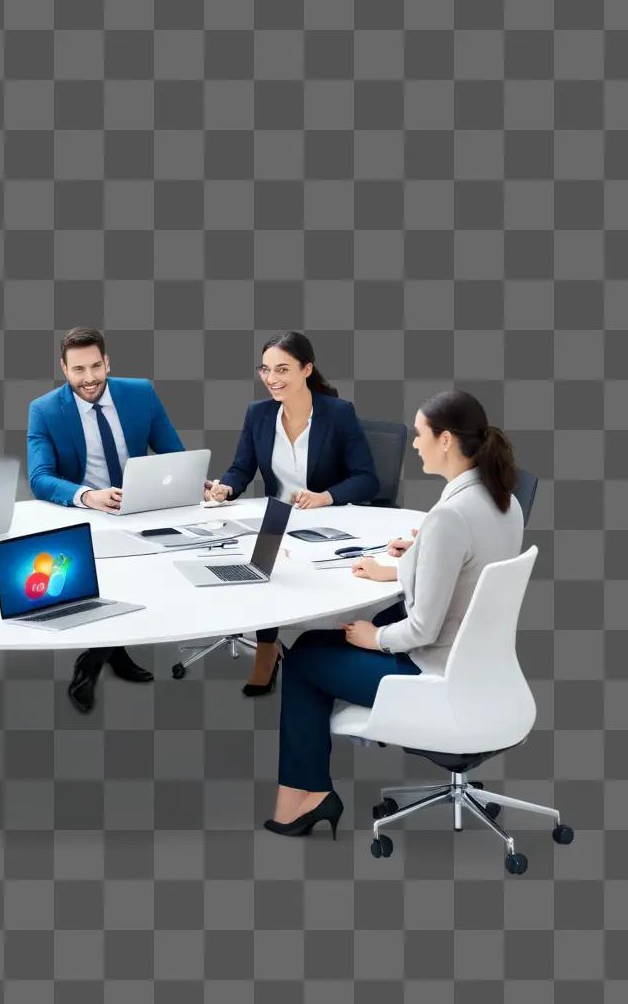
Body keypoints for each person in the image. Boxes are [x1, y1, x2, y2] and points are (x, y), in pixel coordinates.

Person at [264, 390, 523, 838]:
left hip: (434, 672)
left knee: (305, 655)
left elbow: (422, 628)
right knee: (340, 633)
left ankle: (307, 797)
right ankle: (307, 789)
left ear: (445, 440)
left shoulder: (450, 516)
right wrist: (413, 558)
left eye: (421, 434)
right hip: (482, 665)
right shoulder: (504, 501)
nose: (416, 444)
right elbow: (464, 568)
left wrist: (375, 640)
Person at [206, 332, 378, 696]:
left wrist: (325, 497)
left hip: (328, 521)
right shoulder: (259, 414)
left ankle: (341, 656)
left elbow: (367, 478)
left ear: (306, 369)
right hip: (279, 518)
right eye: (265, 369)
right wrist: (225, 488)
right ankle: (267, 648)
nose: (272, 379)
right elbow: (241, 468)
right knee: (255, 561)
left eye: (282, 369)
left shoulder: (338, 414)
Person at [27, 327, 185, 713]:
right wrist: (87, 496)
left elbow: (174, 454)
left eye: (96, 366)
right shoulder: (45, 409)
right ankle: (94, 662)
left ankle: (102, 655)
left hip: (141, 507)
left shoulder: (140, 393)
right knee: (100, 574)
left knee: (154, 572)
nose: (89, 378)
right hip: (88, 514)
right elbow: (40, 477)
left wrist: (198, 484)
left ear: (107, 362)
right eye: (78, 369)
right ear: (64, 369)